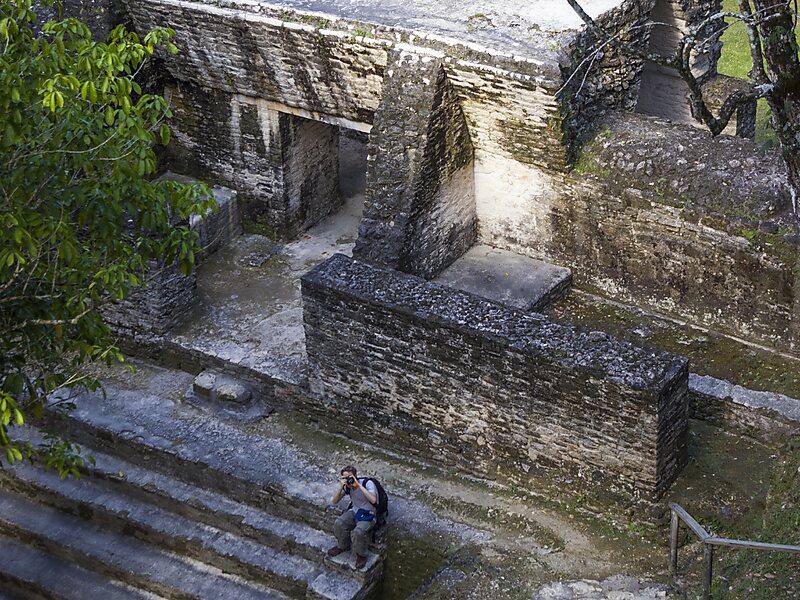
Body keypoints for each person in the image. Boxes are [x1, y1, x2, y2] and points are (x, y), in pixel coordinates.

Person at [327, 465, 377, 570]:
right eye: (345, 477)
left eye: (350, 477)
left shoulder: (367, 483)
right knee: (339, 523)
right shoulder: (347, 487)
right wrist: (341, 486)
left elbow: (373, 500)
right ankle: (342, 545)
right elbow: (334, 501)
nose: (348, 480)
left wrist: (358, 485)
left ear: (355, 476)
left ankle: (361, 555)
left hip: (368, 514)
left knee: (358, 531)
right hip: (355, 511)